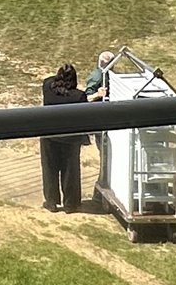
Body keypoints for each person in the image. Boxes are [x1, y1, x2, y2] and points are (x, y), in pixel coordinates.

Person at [39, 63, 89, 212]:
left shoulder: (48, 87)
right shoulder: (78, 96)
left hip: (49, 135)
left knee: (49, 169)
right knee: (70, 171)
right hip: (70, 138)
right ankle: (70, 204)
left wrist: (60, 77)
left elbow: (49, 79)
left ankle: (51, 202)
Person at [84, 50, 118, 204]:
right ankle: (99, 194)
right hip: (100, 124)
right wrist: (98, 94)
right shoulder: (98, 76)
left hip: (108, 122)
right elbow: (87, 97)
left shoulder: (109, 75)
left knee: (108, 158)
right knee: (106, 158)